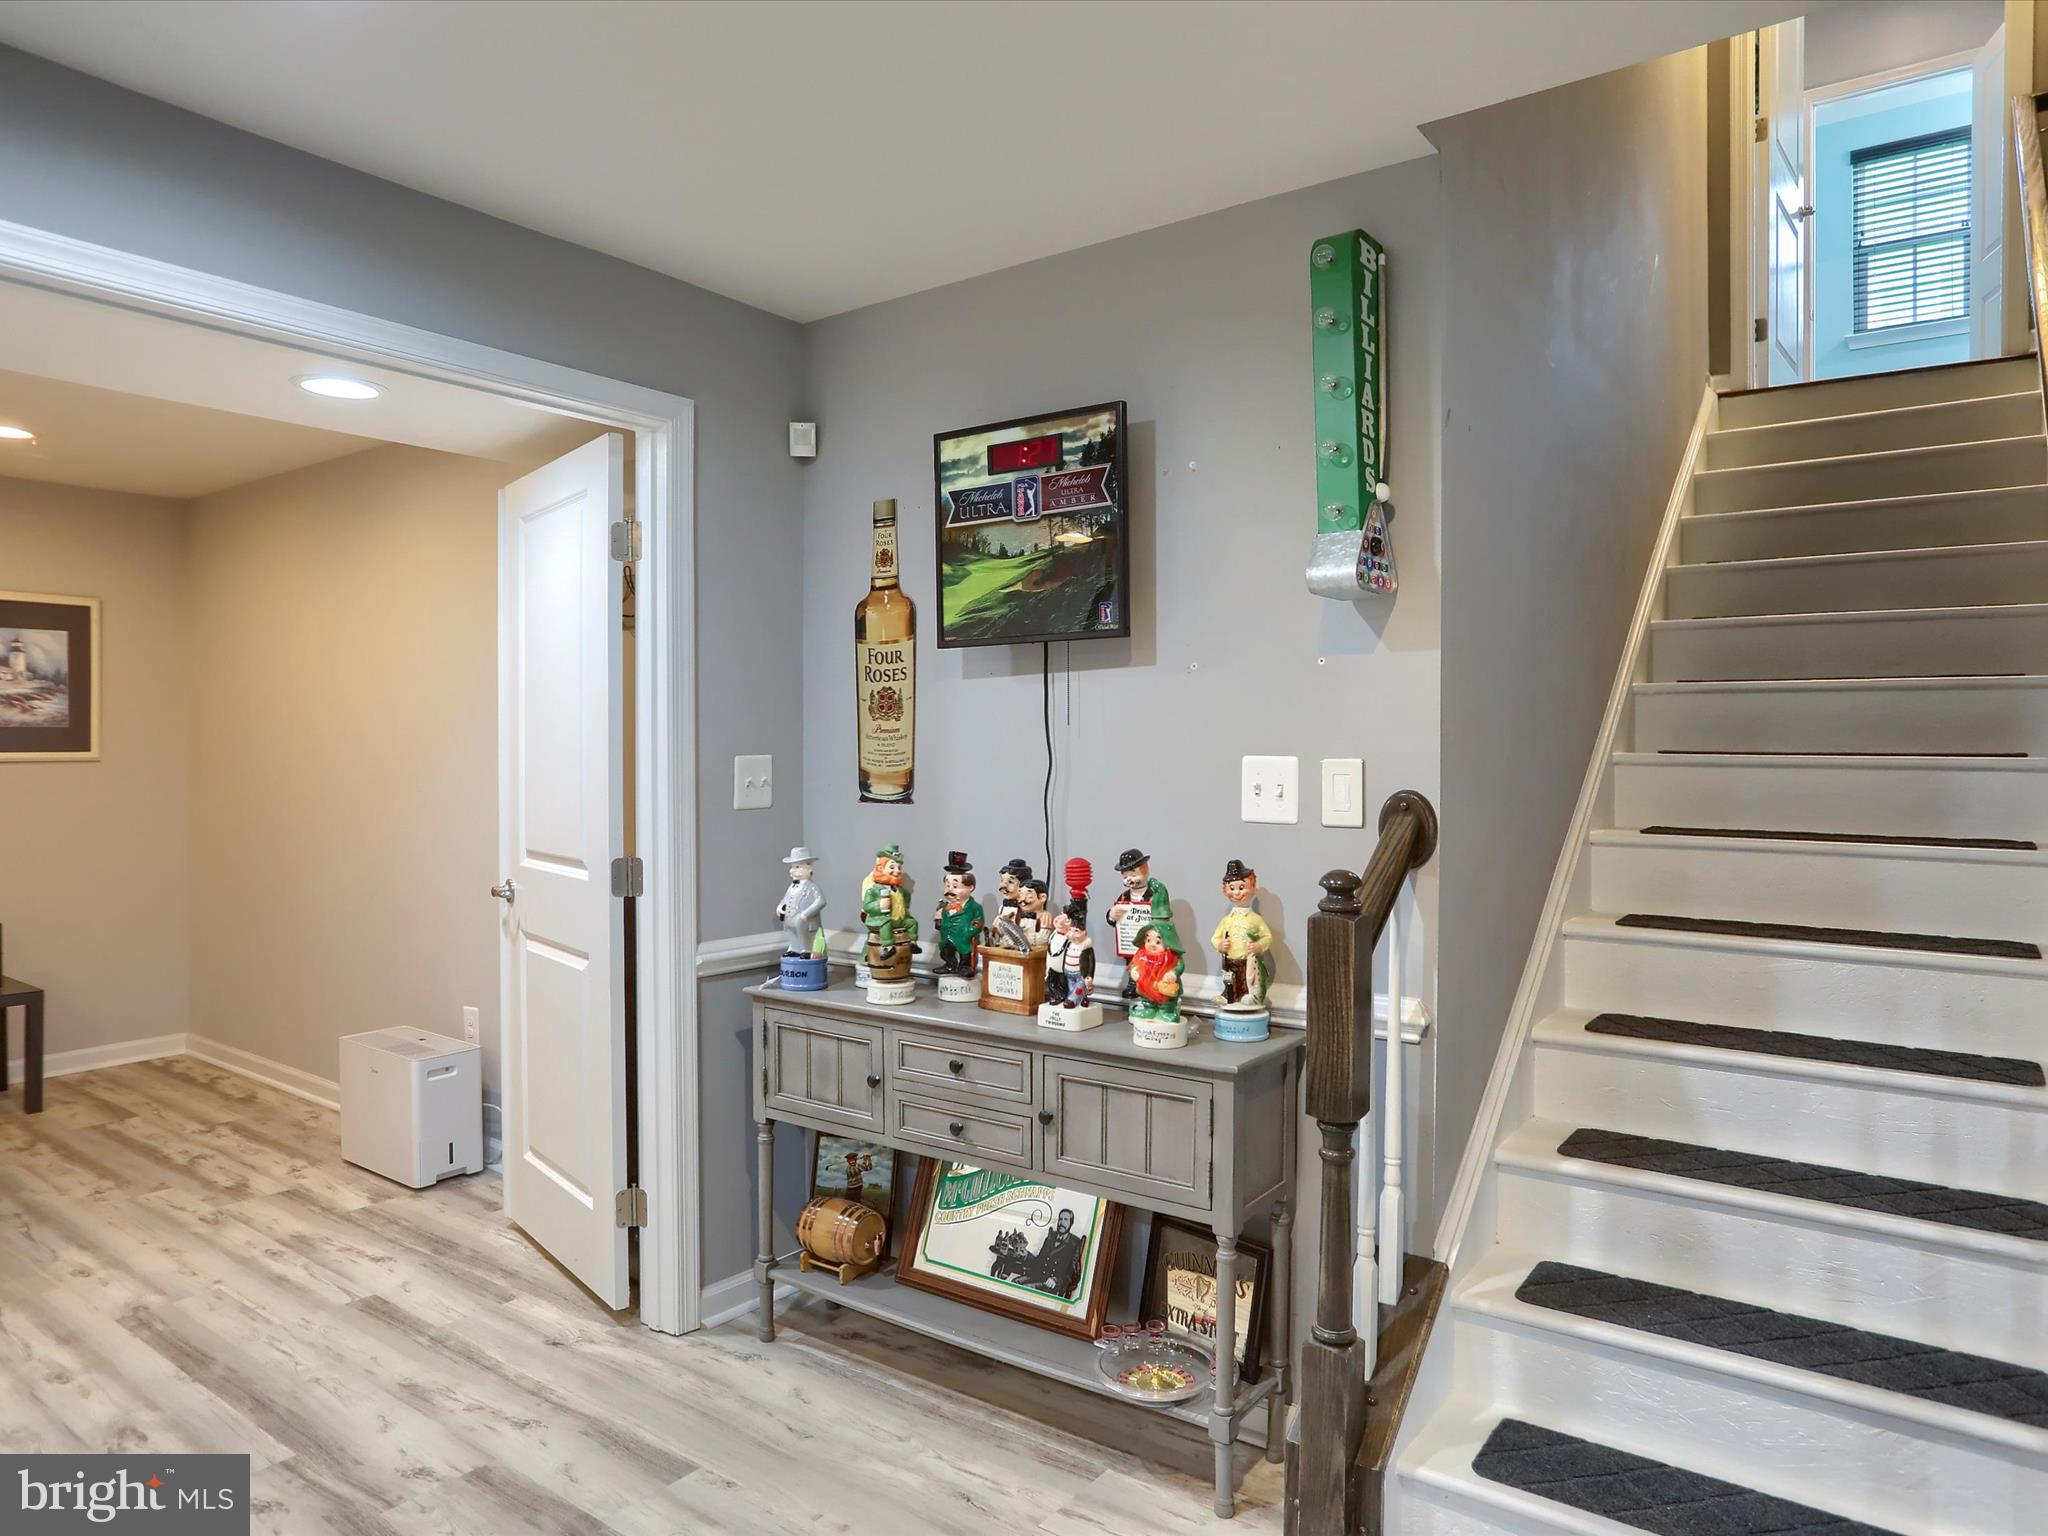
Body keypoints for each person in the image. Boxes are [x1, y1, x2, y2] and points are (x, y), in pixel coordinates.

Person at [1211, 858, 1275, 1009]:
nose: (1237, 893)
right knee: (1230, 979)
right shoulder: (1227, 920)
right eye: (1232, 888)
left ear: (1253, 887)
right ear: (1225, 891)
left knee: (1248, 979)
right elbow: (1215, 938)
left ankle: (1250, 996)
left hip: (1248, 960)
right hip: (1231, 959)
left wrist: (1259, 946)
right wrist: (1220, 945)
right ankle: (1229, 996)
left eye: (1241, 887)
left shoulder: (1256, 919)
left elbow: (1267, 937)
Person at [1106, 849, 1169, 999]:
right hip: (1130, 939)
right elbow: (1114, 921)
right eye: (1125, 876)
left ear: (1145, 872)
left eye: (1133, 875)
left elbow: (1163, 916)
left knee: (1150, 962)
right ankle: (1133, 983)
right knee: (1132, 962)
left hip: (1149, 940)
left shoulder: (1154, 895)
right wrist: (1112, 915)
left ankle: (1149, 984)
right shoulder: (1124, 897)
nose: (1129, 879)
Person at [932, 851, 985, 976]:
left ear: (970, 887)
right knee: (946, 952)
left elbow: (979, 922)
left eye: (955, 886)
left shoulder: (975, 907)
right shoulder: (944, 906)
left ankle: (964, 967)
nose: (949, 890)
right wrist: (939, 921)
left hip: (963, 937)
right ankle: (950, 965)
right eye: (947, 885)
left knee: (965, 954)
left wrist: (969, 931)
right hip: (947, 936)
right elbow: (939, 919)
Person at [1127, 919, 1185, 1025]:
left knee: (1168, 999)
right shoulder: (1141, 954)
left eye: (1158, 942)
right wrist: (1134, 970)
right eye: (1148, 940)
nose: (1152, 945)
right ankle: (1149, 1009)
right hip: (1146, 985)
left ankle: (1165, 1012)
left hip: (1165, 986)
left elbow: (1180, 966)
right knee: (1146, 997)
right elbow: (1134, 964)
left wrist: (1173, 973)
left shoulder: (1172, 956)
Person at [775, 846, 826, 958]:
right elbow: (785, 899)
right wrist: (780, 908)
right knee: (791, 930)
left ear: (809, 867)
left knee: (802, 931)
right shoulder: (792, 887)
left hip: (805, 920)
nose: (792, 870)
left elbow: (821, 901)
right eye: (792, 867)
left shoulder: (812, 887)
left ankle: (806, 950)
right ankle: (795, 948)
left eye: (797, 867)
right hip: (790, 916)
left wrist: (805, 914)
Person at [1028, 1208, 1085, 1298]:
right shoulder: (1050, 1237)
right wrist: (1026, 1255)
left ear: (1071, 1223)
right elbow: (1039, 1260)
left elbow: (1073, 1274)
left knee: (1026, 1288)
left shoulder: (1074, 1244)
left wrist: (1056, 1280)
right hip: (1039, 1277)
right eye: (1060, 1219)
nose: (1062, 1223)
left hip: (1051, 1285)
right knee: (1015, 1281)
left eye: (1066, 1220)